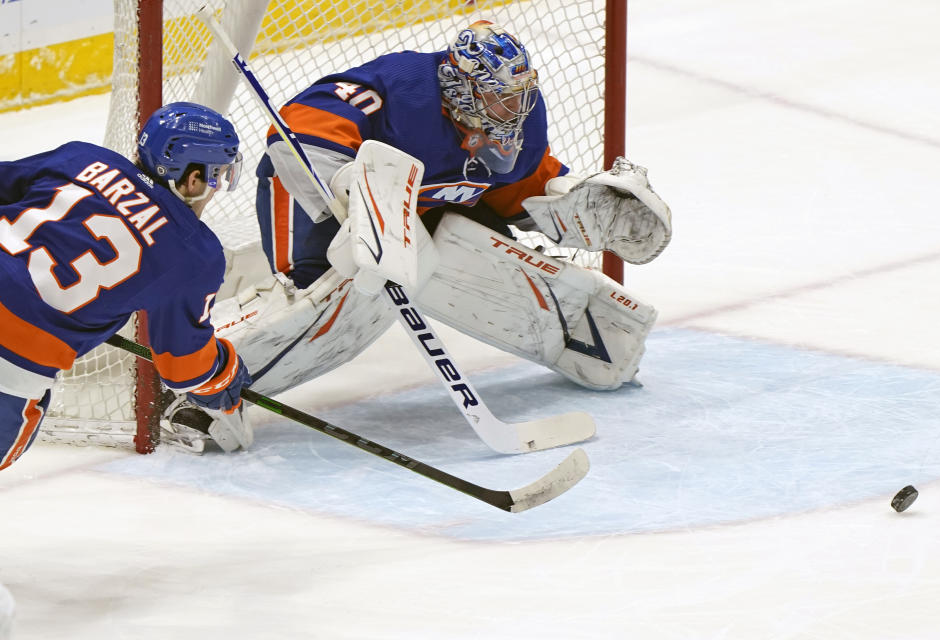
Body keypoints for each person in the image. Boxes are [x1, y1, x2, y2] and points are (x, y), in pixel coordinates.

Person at [197, 21, 672, 439]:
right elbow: (298, 130)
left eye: (520, 93)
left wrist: (564, 202)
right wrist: (353, 190)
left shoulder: (518, 125)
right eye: (501, 96)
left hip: (413, 204)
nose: (516, 107)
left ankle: (591, 340)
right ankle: (199, 388)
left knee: (473, 252)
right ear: (462, 89)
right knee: (317, 295)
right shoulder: (402, 86)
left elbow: (513, 184)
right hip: (313, 191)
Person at [0, 102, 253, 467]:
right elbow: (184, 367)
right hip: (13, 361)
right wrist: (223, 371)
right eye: (218, 176)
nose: (215, 188)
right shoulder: (193, 253)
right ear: (192, 179)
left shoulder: (82, 157)